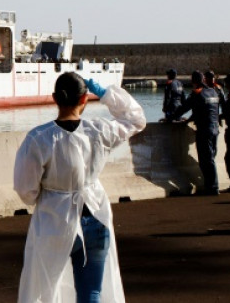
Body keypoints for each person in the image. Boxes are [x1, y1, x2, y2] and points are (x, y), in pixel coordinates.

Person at [14, 73, 146, 302]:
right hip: (94, 215)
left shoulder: (38, 138)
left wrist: (46, 193)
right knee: (91, 291)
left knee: (43, 290)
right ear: (84, 99)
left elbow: (26, 190)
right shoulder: (99, 130)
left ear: (55, 98)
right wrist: (106, 94)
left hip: (54, 219)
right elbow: (136, 120)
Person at [171, 70, 222, 195]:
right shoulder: (213, 92)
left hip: (205, 130)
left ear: (193, 81)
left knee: (206, 160)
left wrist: (171, 118)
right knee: (210, 158)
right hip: (215, 129)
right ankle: (211, 186)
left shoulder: (197, 93)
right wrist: (189, 120)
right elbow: (205, 110)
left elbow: (184, 108)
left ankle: (213, 187)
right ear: (203, 79)